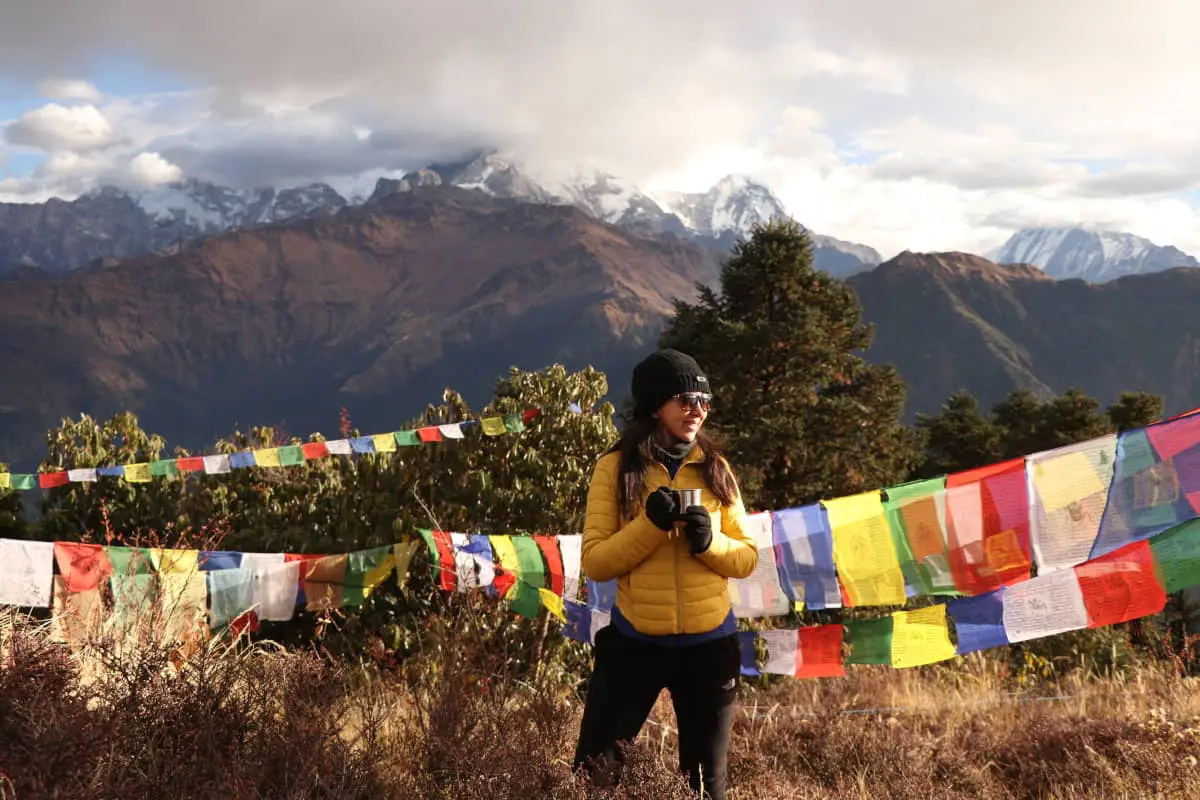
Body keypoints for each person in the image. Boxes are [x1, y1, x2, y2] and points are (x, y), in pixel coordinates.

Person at [572, 348, 758, 800]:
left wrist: (710, 542)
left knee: (703, 787)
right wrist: (650, 526)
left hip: (709, 645)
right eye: (686, 399)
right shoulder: (614, 470)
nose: (698, 410)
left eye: (705, 401)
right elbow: (596, 562)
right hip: (635, 643)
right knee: (595, 775)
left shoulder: (718, 469)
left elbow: (748, 558)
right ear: (656, 404)